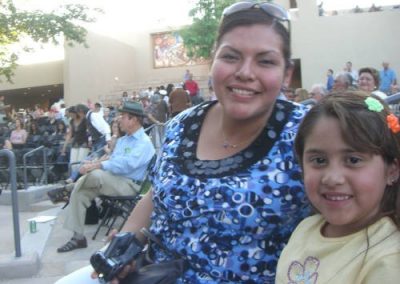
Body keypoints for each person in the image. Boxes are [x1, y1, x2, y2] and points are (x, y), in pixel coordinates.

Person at [56, 2, 310, 282]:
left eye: (265, 61)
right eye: (231, 56)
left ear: (287, 73)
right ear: (213, 61)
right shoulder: (182, 124)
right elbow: (158, 196)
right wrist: (123, 248)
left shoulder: (309, 132)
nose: (245, 72)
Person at [276, 91, 400, 283]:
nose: (332, 178)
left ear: (392, 170)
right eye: (319, 160)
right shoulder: (306, 228)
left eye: (353, 160)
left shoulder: (388, 261)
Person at [56, 101, 155, 253]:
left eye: (122, 116)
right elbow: (113, 160)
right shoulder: (123, 141)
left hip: (129, 185)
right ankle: (78, 237)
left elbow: (127, 165)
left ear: (133, 119)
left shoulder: (144, 142)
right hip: (111, 180)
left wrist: (97, 166)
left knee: (94, 174)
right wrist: (96, 162)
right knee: (81, 192)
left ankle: (69, 187)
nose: (118, 119)